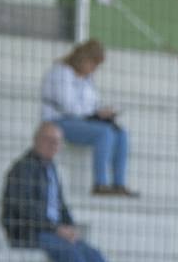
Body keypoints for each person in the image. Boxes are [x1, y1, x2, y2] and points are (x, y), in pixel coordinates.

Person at [1, 123, 150, 262]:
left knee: (90, 251)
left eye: (58, 142)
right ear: (38, 140)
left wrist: (69, 227)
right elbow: (25, 209)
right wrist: (56, 229)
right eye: (50, 141)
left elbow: (60, 205)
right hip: (28, 232)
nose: (55, 146)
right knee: (69, 250)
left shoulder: (50, 169)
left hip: (50, 230)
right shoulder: (24, 169)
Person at [40, 38, 137, 197]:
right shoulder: (60, 72)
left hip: (83, 121)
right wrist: (93, 114)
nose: (93, 69)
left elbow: (92, 104)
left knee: (121, 133)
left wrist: (103, 112)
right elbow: (68, 106)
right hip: (59, 122)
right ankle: (100, 183)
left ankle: (118, 183)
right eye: (93, 64)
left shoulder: (86, 79)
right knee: (104, 133)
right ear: (83, 59)